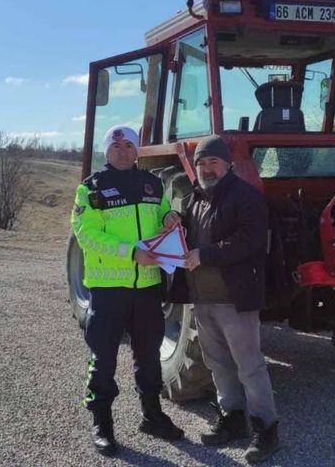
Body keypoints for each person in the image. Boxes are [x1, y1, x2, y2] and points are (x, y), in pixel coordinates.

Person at [164, 135, 279, 463]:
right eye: (201, 163)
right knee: (217, 363)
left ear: (228, 164)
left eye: (213, 162)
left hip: (234, 299)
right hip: (203, 299)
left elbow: (249, 240)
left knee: (250, 366)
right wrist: (171, 218)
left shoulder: (246, 196)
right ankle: (232, 418)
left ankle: (266, 429)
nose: (206, 168)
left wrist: (205, 255)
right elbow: (185, 234)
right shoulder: (196, 199)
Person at [70, 125, 184, 456]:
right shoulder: (90, 188)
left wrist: (169, 217)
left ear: (137, 151)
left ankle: (152, 416)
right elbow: (86, 234)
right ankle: (102, 423)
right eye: (116, 146)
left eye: (129, 146)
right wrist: (130, 252)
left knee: (148, 355)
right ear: (107, 150)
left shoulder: (153, 184)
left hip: (147, 286)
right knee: (103, 356)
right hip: (108, 288)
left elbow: (161, 215)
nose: (123, 151)